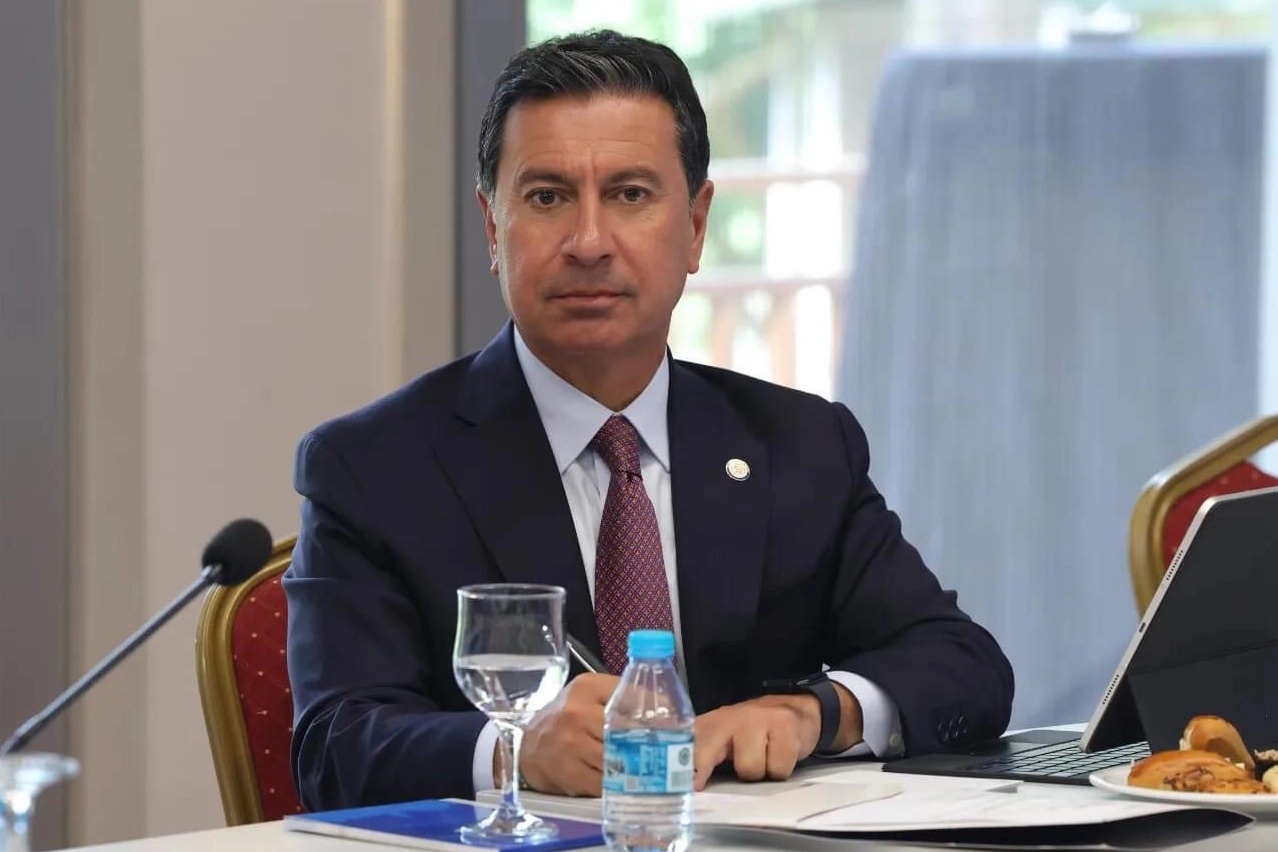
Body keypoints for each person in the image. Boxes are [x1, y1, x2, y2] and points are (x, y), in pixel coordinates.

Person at [284, 29, 1013, 811]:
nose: (588, 242)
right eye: (547, 197)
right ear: (494, 228)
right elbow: (334, 745)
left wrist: (815, 713)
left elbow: (963, 664)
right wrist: (513, 748)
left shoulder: (798, 445)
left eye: (630, 195)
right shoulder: (375, 468)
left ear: (695, 226)